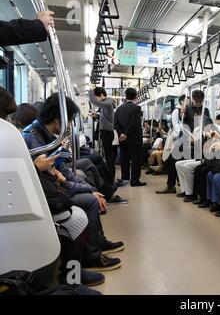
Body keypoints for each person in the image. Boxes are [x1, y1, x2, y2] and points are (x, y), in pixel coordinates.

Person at [22, 93, 124, 271]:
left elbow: (65, 173)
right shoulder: (34, 139)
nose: (69, 125)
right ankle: (91, 256)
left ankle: (97, 243)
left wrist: (89, 188)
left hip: (52, 188)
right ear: (56, 119)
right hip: (45, 195)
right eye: (68, 120)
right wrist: (89, 191)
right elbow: (59, 180)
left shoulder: (45, 136)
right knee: (90, 201)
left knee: (90, 190)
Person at [156, 90, 212, 194]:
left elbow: (207, 124)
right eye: (197, 102)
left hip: (199, 138)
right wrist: (182, 113)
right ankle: (170, 185)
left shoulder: (205, 110)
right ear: (193, 100)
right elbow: (182, 124)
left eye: (201, 102)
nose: (199, 104)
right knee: (173, 157)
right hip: (187, 137)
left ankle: (184, 187)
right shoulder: (186, 109)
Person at [114, 88, 146, 187]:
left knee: (125, 160)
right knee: (135, 160)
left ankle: (125, 178)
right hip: (134, 139)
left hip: (122, 139)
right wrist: (126, 133)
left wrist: (121, 134)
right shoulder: (136, 108)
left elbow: (116, 123)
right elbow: (134, 123)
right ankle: (135, 180)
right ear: (136, 96)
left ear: (126, 96)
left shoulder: (119, 109)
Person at [88, 87, 116, 184]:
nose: (96, 99)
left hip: (107, 132)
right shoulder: (107, 104)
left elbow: (93, 101)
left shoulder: (108, 103)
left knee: (109, 157)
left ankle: (111, 178)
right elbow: (106, 119)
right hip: (106, 132)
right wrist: (97, 117)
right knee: (107, 156)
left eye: (96, 96)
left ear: (100, 95)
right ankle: (109, 176)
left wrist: (90, 91)